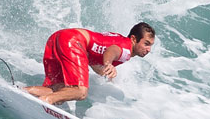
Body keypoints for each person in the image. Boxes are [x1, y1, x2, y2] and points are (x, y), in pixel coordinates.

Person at [23, 22, 156, 105]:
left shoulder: (119, 39)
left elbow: (93, 54)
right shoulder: (126, 49)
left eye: (150, 45)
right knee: (80, 92)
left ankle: (22, 92)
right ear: (133, 39)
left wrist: (103, 70)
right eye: (146, 44)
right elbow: (112, 50)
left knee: (60, 90)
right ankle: (45, 102)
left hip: (60, 37)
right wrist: (108, 63)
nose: (148, 49)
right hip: (74, 41)